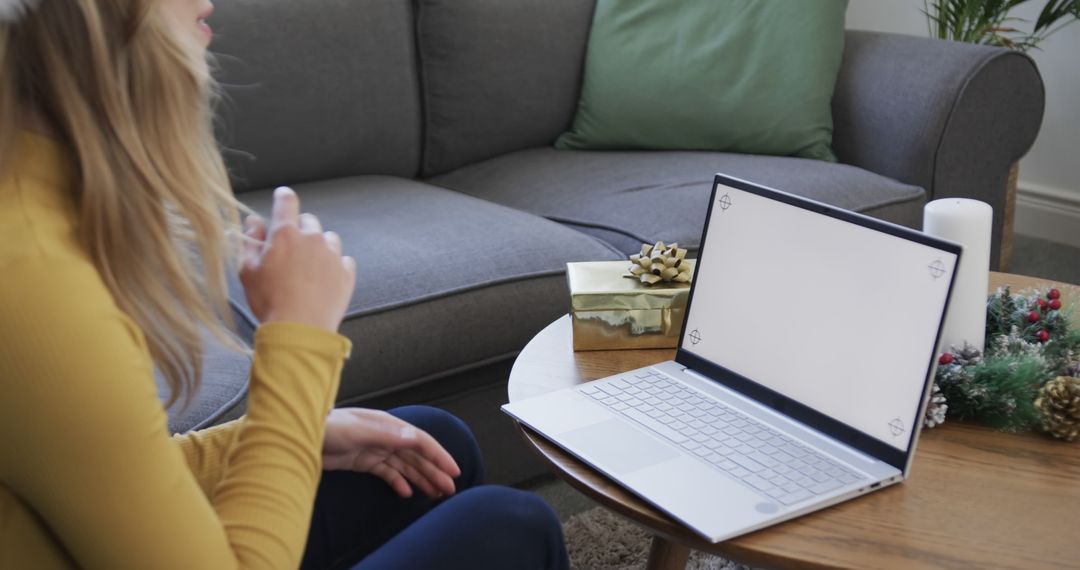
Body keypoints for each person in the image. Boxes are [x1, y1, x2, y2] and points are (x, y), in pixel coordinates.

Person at [0, 0, 570, 568]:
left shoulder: (38, 214)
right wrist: (297, 336)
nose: (206, 1)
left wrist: (302, 435)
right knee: (510, 528)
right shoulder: (37, 291)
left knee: (429, 440)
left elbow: (106, 471)